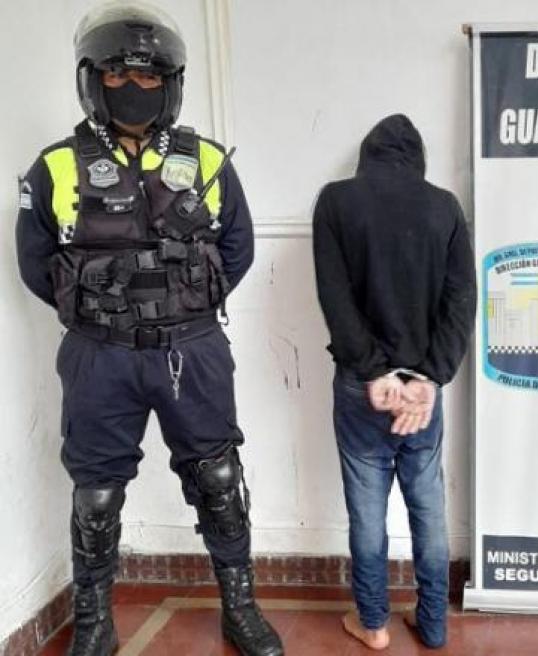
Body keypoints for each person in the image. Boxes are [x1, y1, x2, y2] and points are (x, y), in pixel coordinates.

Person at [14, 3, 282, 655]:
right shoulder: (55, 167)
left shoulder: (208, 160)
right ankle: (95, 621)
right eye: (117, 75)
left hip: (192, 350)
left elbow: (238, 248)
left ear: (171, 85)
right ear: (91, 80)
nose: (134, 88)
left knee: (219, 479)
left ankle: (240, 607)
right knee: (96, 494)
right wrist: (104, 317)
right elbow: (35, 264)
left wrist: (182, 307)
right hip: (99, 356)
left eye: (148, 77)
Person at [312, 113, 477, 650]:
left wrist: (373, 370)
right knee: (428, 510)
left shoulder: (335, 201)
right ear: (418, 159)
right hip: (422, 393)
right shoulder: (444, 207)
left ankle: (374, 625)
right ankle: (432, 624)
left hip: (362, 387)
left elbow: (334, 298)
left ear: (367, 154)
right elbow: (461, 302)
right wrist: (429, 377)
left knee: (367, 511)